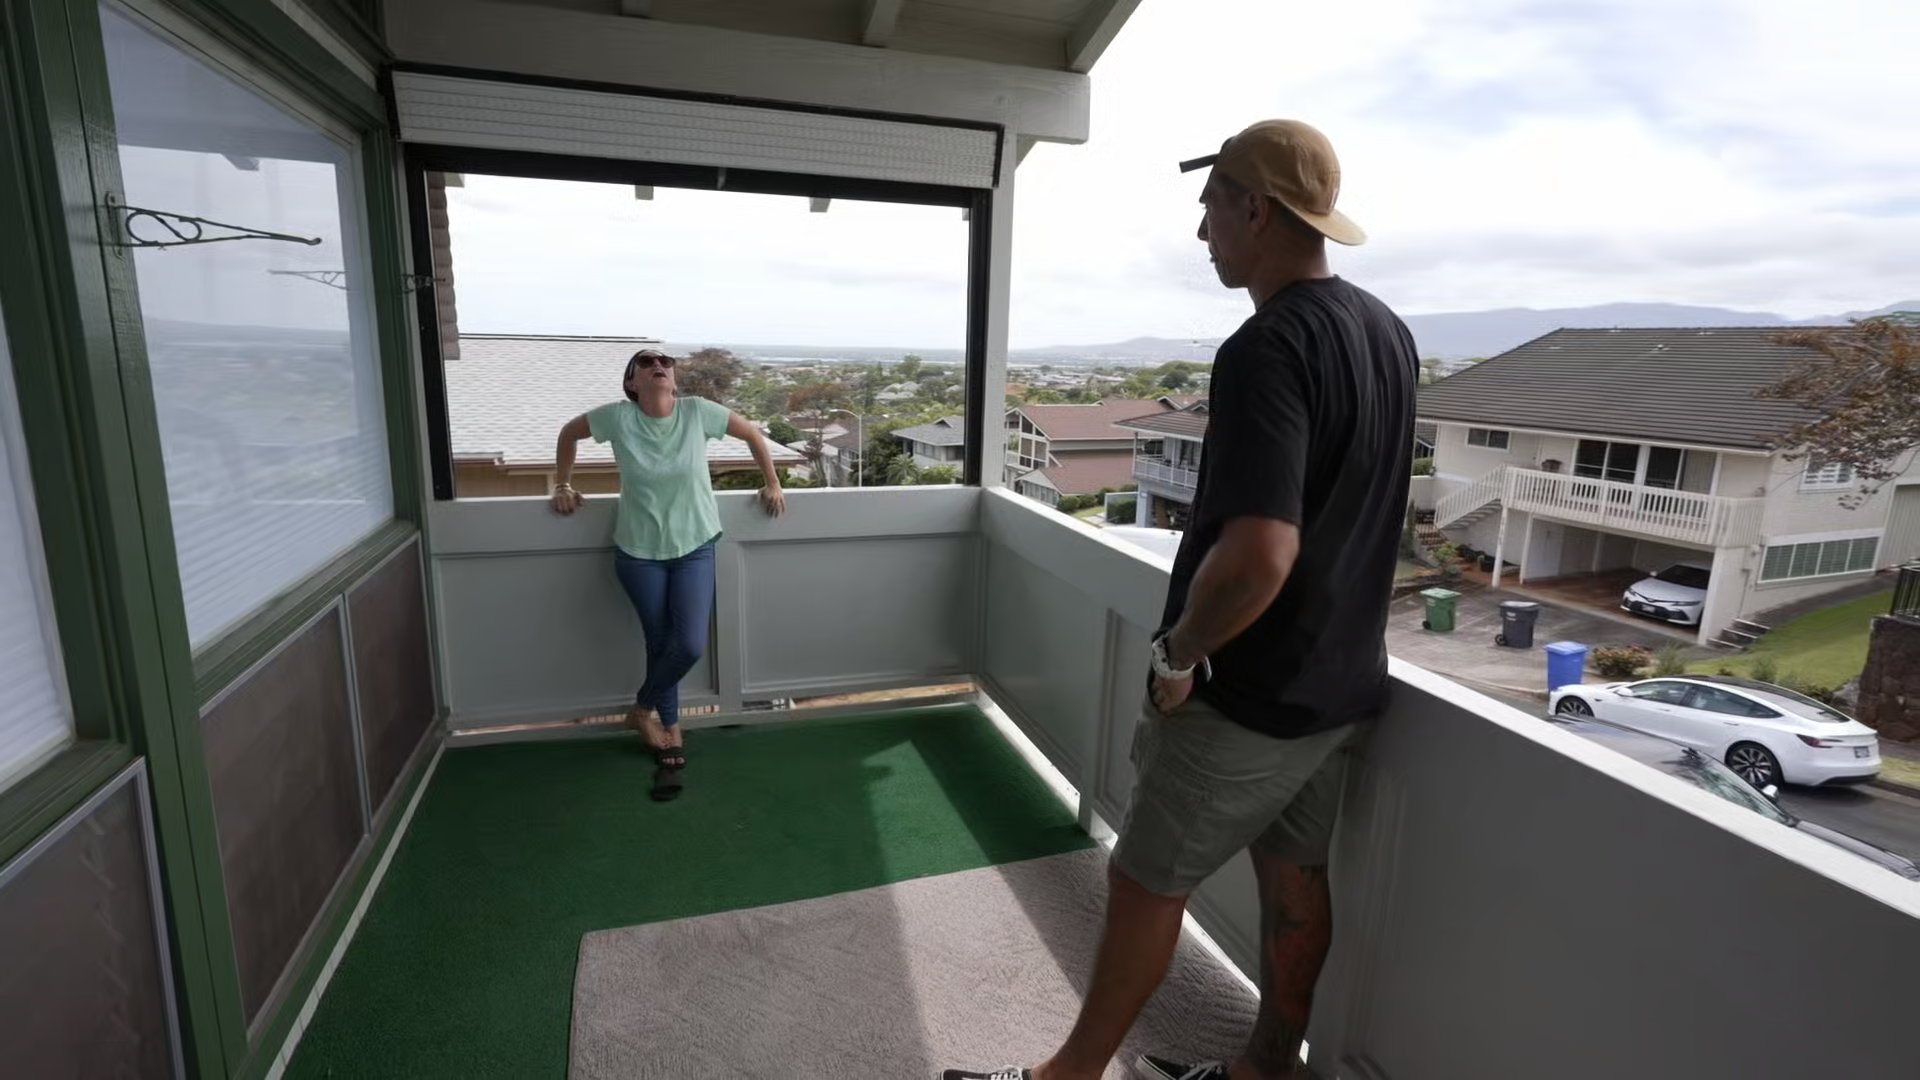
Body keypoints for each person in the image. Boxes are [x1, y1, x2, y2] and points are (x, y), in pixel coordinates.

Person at [946, 120, 1416, 1080]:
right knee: (1296, 882)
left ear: (1258, 210)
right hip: (1338, 687)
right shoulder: (1387, 334)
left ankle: (1066, 1077)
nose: (1202, 232)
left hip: (1246, 693)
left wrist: (1179, 655)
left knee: (1144, 882)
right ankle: (1265, 1069)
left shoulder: (1266, 347)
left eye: (1211, 208)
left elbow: (1259, 555)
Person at [550, 348, 787, 801]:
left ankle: (642, 710)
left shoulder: (697, 412)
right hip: (637, 551)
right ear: (632, 383)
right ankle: (672, 732)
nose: (658, 365)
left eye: (665, 362)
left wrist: (772, 481)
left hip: (695, 546)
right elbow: (569, 433)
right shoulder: (618, 418)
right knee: (659, 643)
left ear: (674, 379)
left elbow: (753, 434)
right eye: (645, 363)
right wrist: (563, 484)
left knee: (689, 644)